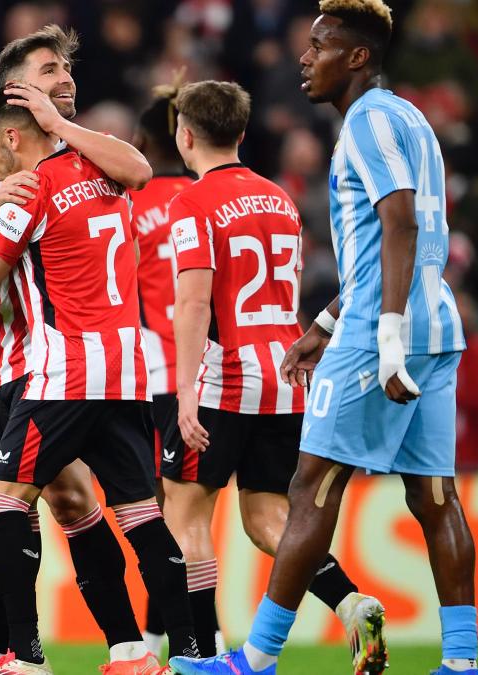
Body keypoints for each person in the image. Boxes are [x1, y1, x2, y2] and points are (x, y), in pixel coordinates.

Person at [170, 2, 478, 674]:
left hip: (383, 334)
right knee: (434, 495)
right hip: (432, 316)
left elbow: (398, 226)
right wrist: (324, 323)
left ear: (358, 56)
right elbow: (393, 246)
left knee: (311, 489)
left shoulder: (366, 121)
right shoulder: (411, 118)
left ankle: (255, 656)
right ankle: (461, 663)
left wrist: (384, 340)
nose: (305, 59)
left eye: (320, 46)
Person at [0, 25, 159, 675]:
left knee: (49, 500)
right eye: (50, 69)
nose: (66, 77)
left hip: (76, 362)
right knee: (54, 500)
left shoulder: (90, 153)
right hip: (27, 360)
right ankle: (42, 648)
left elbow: (139, 173)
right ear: (13, 88)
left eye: (68, 67)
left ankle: (21, 652)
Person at [0, 90, 201, 674]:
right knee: (141, 515)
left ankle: (26, 659)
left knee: (3, 502)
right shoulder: (106, 173)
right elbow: (140, 168)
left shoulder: (29, 190)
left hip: (64, 373)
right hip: (128, 371)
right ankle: (182, 657)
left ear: (11, 138)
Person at [159, 79, 387, 672]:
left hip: (224, 376)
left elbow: (194, 303)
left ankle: (198, 651)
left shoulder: (192, 201)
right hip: (285, 377)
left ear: (185, 135)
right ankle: (350, 602)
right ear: (239, 132)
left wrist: (185, 391)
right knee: (269, 519)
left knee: (183, 515)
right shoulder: (279, 199)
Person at [128, 84, 197, 657]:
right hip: (214, 373)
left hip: (154, 376)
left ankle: (197, 637)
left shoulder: (132, 206)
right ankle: (156, 638)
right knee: (183, 514)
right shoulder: (205, 198)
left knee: (163, 515)